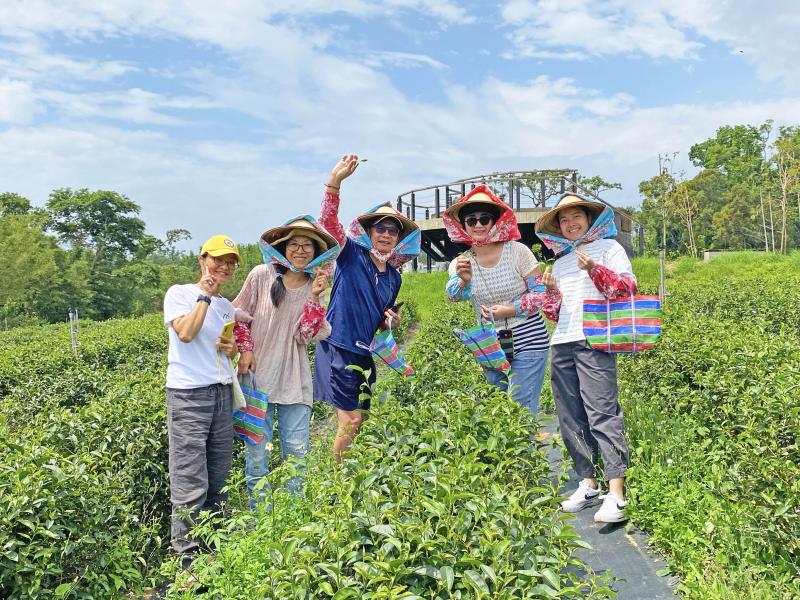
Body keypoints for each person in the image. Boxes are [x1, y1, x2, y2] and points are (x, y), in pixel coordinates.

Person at [535, 193, 637, 524]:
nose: (570, 224)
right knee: (570, 415)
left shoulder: (610, 249)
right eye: (563, 220)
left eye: (576, 216)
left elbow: (626, 290)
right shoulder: (562, 259)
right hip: (562, 341)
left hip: (594, 340)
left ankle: (616, 493)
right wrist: (550, 293)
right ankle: (588, 483)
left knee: (602, 413)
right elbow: (555, 313)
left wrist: (595, 269)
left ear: (589, 219)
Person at [315, 154, 420, 461]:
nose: (386, 234)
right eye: (380, 228)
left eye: (392, 230)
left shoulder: (395, 278)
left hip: (364, 351)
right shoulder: (351, 256)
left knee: (361, 418)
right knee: (351, 420)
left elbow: (380, 320)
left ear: (398, 239)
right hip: (338, 345)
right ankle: (336, 485)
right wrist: (334, 184)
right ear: (370, 232)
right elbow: (329, 225)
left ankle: (345, 474)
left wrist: (391, 321)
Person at [232, 216, 337, 507]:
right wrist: (247, 349)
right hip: (256, 378)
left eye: (307, 246)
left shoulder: (314, 285)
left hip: (294, 380)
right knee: (257, 455)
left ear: (316, 253)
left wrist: (315, 297)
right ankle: (261, 516)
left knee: (296, 453)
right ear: (283, 247)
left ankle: (293, 519)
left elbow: (306, 335)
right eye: (294, 244)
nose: (300, 250)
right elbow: (238, 315)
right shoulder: (261, 275)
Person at [163, 235, 240, 558]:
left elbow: (225, 349)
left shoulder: (226, 306)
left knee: (219, 474)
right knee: (190, 476)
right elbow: (185, 333)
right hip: (189, 395)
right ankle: (186, 555)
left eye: (230, 262)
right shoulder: (180, 293)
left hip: (221, 391)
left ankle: (214, 546)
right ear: (202, 259)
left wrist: (232, 348)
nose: (223, 266)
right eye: (217, 259)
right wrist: (205, 297)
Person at [443, 185, 550, 415]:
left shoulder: (518, 251)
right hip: (489, 343)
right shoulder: (461, 262)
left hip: (528, 338)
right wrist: (463, 280)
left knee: (521, 409)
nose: (479, 225)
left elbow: (540, 294)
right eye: (471, 220)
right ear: (464, 227)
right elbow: (453, 296)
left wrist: (509, 310)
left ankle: (525, 451)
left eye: (485, 219)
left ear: (495, 222)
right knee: (497, 410)